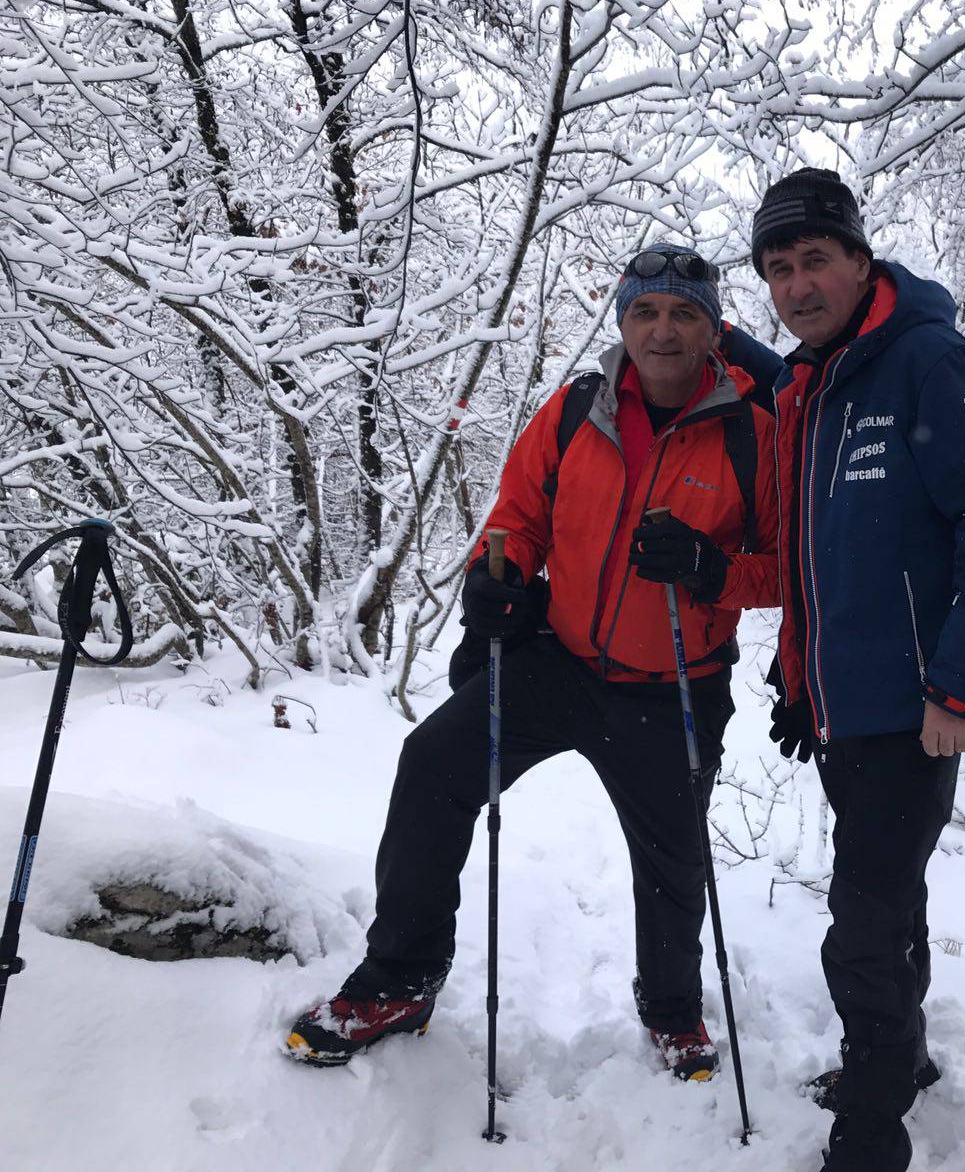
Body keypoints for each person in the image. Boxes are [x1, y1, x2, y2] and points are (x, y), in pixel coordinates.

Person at [285, 242, 780, 1082]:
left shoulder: (751, 435)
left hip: (675, 690)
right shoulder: (577, 409)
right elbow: (520, 512)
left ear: (712, 332)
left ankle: (671, 1011)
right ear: (623, 318)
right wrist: (493, 584)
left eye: (684, 315)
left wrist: (708, 569)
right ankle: (401, 979)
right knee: (432, 766)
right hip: (562, 661)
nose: (663, 331)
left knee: (672, 863)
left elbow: (785, 569)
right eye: (647, 311)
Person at [752, 169, 965, 1171]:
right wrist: (802, 683)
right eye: (779, 268)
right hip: (849, 712)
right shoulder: (811, 384)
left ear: (859, 259)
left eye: (815, 260)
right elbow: (817, 557)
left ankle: (871, 1127)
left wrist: (962, 686)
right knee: (890, 900)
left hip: (916, 712)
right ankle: (903, 1061)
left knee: (862, 928)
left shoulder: (923, 361)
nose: (798, 285)